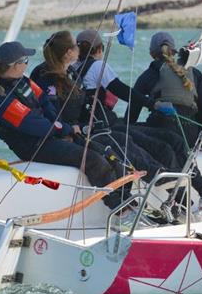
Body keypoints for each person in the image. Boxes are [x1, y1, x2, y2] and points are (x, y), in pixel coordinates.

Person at [0, 41, 130, 211]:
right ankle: (118, 208)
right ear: (15, 66)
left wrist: (62, 127)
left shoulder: (22, 81)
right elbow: (35, 125)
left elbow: (44, 101)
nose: (27, 65)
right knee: (93, 160)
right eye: (25, 61)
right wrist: (64, 130)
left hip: (50, 135)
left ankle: (128, 199)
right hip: (34, 146)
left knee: (107, 152)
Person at [30, 30, 172, 187]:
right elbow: (122, 90)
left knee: (127, 142)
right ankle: (168, 182)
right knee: (149, 144)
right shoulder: (86, 68)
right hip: (87, 129)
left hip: (90, 126)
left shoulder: (71, 70)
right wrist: (153, 104)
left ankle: (163, 181)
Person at [131, 32, 202, 212]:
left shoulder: (151, 73)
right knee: (180, 156)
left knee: (165, 153)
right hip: (190, 133)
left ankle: (183, 206)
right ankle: (196, 199)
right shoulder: (194, 73)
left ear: (151, 53)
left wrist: (126, 130)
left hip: (161, 127)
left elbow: (132, 110)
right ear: (173, 50)